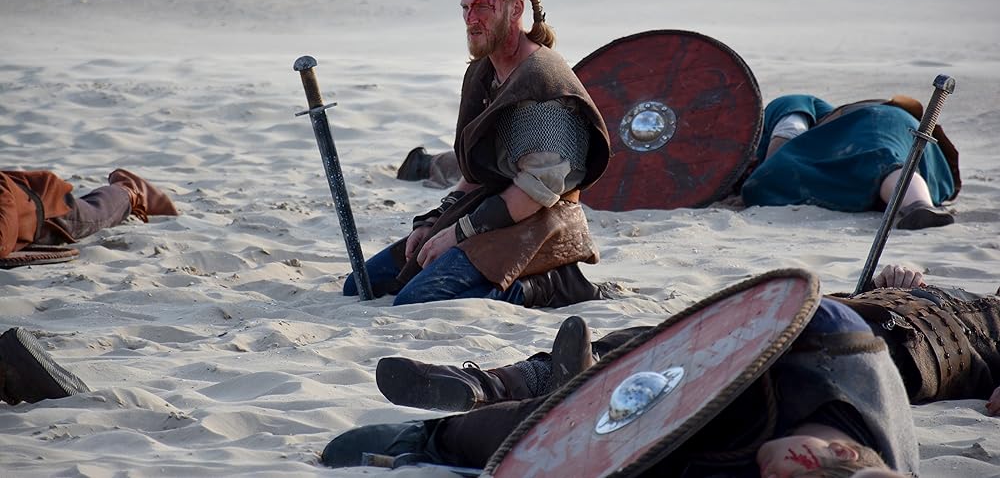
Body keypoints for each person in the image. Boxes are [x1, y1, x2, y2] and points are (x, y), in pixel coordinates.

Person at [321, 277, 925, 477]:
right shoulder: (828, 343)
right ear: (845, 452)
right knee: (602, 401)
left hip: (696, 440)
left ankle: (523, 393)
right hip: (709, 372)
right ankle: (438, 434)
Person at [372, 265, 1000, 416]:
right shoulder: (956, 288)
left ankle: (529, 401)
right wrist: (896, 279)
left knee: (722, 376)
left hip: (884, 364)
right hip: (834, 314)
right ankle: (489, 383)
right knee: (679, 334)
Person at [344, 0, 611, 308]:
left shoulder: (541, 86)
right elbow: (479, 170)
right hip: (492, 210)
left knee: (417, 299)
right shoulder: (484, 72)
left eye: (482, 7)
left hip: (542, 223)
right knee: (360, 284)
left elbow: (536, 191)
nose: (471, 19)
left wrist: (457, 234)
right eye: (465, 8)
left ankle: (549, 284)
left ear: (515, 10)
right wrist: (435, 222)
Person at [740, 94, 961, 229]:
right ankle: (918, 203)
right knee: (876, 168)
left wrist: (760, 177)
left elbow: (787, 135)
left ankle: (918, 206)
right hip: (917, 137)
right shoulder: (834, 153)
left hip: (874, 120)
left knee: (880, 160)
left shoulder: (785, 105)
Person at [0, 168, 179, 264]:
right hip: (25, 213)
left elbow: (4, 240)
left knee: (96, 214)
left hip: (46, 207)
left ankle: (129, 190)